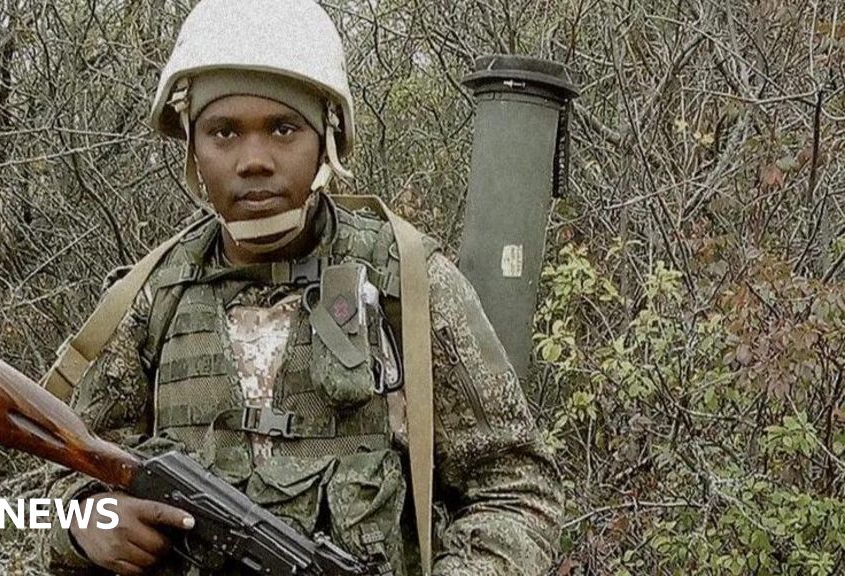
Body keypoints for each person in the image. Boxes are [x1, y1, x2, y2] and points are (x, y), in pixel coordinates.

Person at [40, 1, 562, 574]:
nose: (254, 161)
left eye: (283, 129)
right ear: (192, 146)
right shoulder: (151, 298)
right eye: (223, 132)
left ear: (326, 139)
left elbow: (517, 491)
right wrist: (84, 525)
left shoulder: (407, 285)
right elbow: (49, 487)